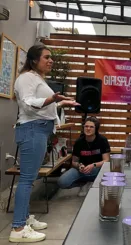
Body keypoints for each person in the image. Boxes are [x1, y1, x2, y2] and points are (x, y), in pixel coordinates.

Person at [9, 45, 78, 243]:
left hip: (38, 129)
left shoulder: (37, 78)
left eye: (51, 58)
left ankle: (24, 218)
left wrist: (60, 104)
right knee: (26, 180)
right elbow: (29, 102)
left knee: (29, 179)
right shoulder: (26, 78)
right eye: (46, 57)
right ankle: (18, 228)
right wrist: (52, 98)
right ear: (33, 60)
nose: (51, 61)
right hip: (32, 130)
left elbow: (42, 106)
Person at [57, 116, 110, 196]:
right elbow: (74, 161)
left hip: (97, 169)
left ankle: (92, 184)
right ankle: (84, 184)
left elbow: (106, 160)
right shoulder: (79, 142)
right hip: (82, 170)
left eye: (91, 127)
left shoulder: (102, 140)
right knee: (62, 182)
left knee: (108, 177)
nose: (88, 129)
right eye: (86, 126)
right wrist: (79, 166)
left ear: (96, 129)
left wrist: (93, 165)